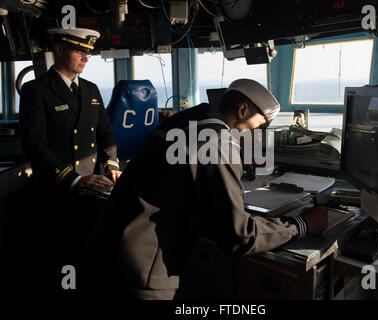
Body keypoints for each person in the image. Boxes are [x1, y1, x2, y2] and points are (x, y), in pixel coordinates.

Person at [85, 79, 328, 300]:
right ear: (242, 110)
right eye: (259, 125)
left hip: (106, 248)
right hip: (143, 267)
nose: (256, 133)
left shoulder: (185, 119)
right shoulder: (218, 140)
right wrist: (301, 225)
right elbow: (239, 236)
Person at [18, 27, 121, 294]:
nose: (86, 58)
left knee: (89, 258)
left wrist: (112, 166)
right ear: (59, 50)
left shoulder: (91, 89)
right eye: (79, 51)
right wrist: (74, 179)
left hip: (93, 191)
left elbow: (106, 135)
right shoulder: (36, 90)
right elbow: (35, 144)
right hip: (58, 193)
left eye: (88, 53)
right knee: (63, 261)